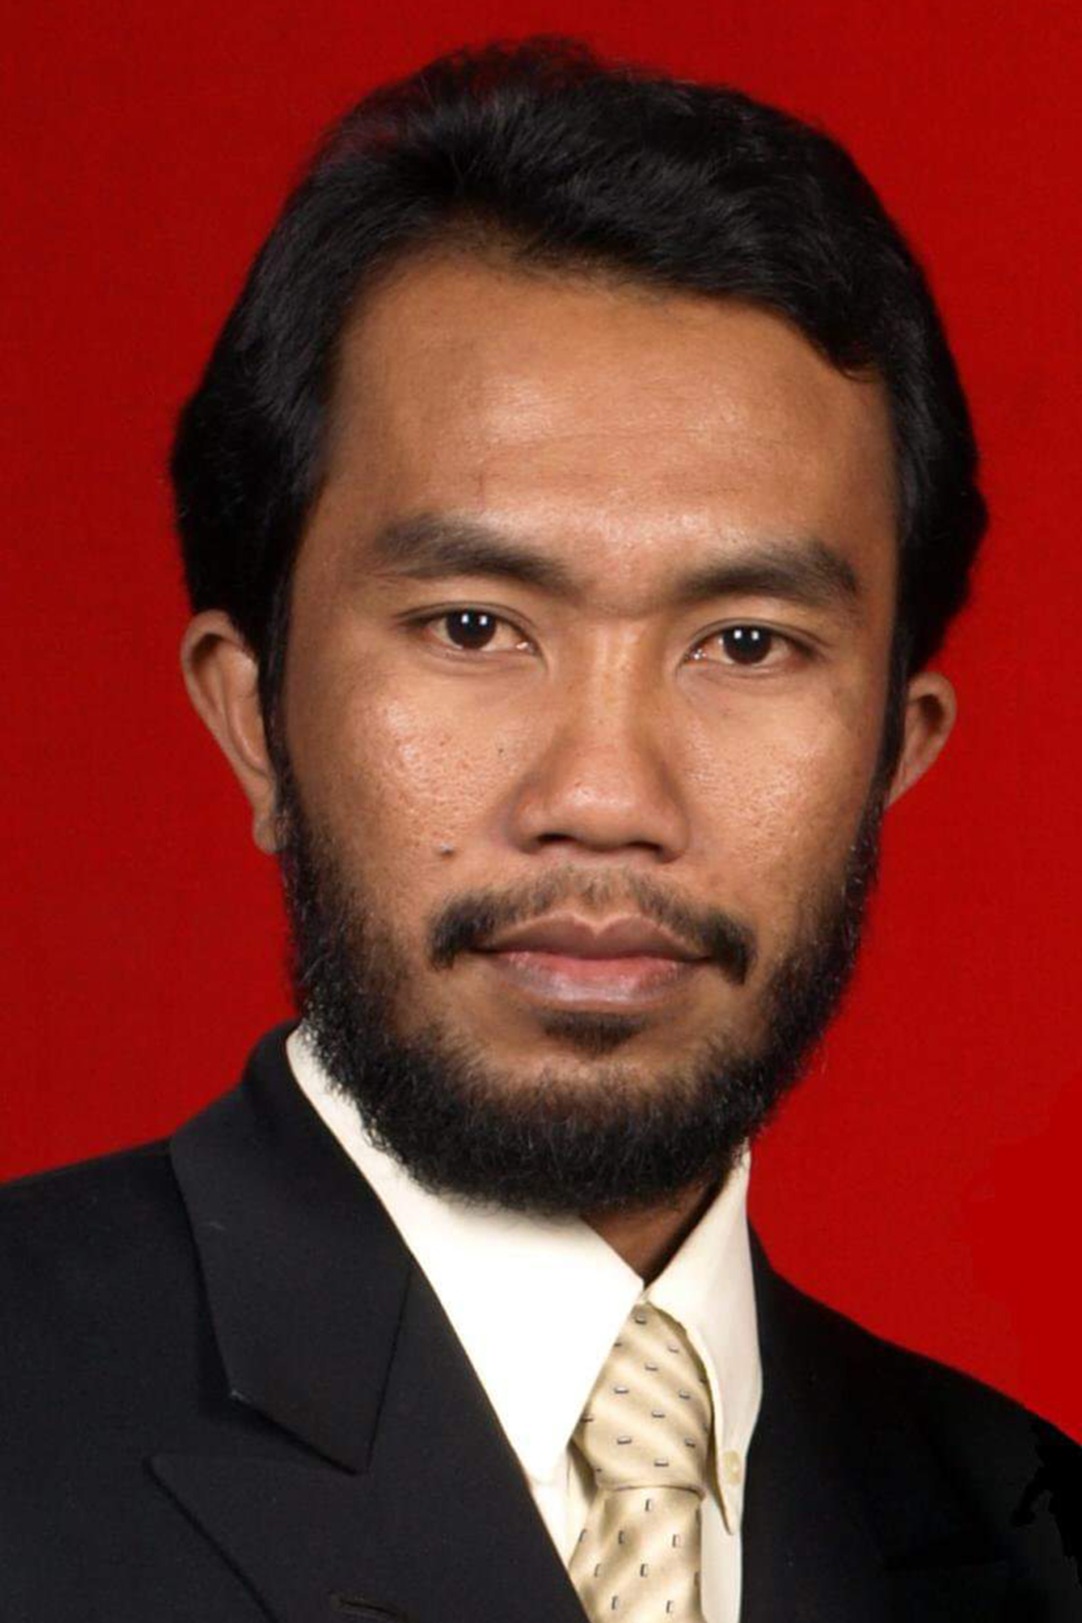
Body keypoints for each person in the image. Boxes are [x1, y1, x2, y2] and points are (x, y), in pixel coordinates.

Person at [2, 36, 1078, 1623]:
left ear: (895, 750)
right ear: (254, 718)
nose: (603, 797)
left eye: (746, 644)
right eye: (471, 626)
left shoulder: (1033, 1539)